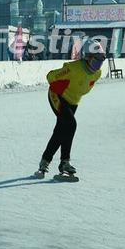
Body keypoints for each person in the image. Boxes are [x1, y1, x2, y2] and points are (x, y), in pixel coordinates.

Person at [34, 38, 104, 180]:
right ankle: (65, 162)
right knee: (71, 125)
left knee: (60, 131)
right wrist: (60, 82)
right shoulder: (72, 68)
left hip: (73, 102)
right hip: (57, 95)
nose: (97, 66)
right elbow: (50, 76)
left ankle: (44, 162)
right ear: (87, 57)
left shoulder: (97, 74)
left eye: (100, 62)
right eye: (95, 61)